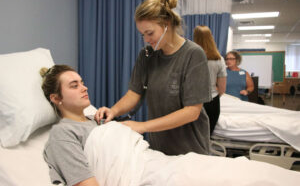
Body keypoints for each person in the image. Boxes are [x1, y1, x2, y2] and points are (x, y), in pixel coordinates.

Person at [41, 65, 300, 186]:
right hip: (144, 177)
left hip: (161, 163)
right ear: (56, 98)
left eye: (82, 81)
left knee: (241, 171)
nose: (84, 86)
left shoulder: (98, 119)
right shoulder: (62, 135)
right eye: (74, 85)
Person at [95, 0, 212, 156]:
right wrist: (113, 111)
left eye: (150, 33)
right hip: (160, 149)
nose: (146, 39)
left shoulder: (193, 55)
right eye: (143, 34)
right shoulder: (147, 55)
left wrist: (142, 126)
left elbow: (192, 112)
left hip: (190, 150)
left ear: (167, 24)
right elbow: (133, 94)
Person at [193, 25, 227, 134]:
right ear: (211, 37)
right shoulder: (219, 59)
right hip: (212, 102)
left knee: (193, 138)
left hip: (193, 102)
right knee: (207, 137)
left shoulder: (190, 57)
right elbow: (222, 89)